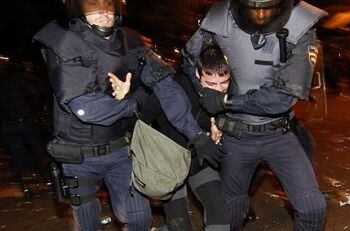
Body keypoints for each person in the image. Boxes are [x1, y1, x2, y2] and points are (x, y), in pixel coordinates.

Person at [33, 0, 223, 230]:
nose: (103, 12)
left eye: (108, 5)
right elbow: (85, 108)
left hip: (120, 148)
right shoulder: (64, 43)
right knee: (87, 224)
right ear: (78, 9)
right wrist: (132, 102)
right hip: (79, 155)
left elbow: (167, 87)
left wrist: (196, 134)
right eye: (93, 5)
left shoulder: (131, 42)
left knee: (139, 220)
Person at [182, 0, 327, 230]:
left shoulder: (301, 26)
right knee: (231, 210)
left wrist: (225, 101)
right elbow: (190, 60)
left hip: (279, 135)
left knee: (312, 207)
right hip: (235, 135)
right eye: (253, 6)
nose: (260, 14)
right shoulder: (220, 19)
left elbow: (283, 98)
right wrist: (208, 98)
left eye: (267, 6)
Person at [113, 45, 231, 231]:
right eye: (211, 84)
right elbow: (142, 118)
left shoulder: (228, 94)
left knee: (221, 214)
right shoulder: (174, 87)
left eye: (224, 83)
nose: (219, 90)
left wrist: (219, 129)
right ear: (198, 74)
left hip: (198, 161)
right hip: (168, 164)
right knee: (179, 225)